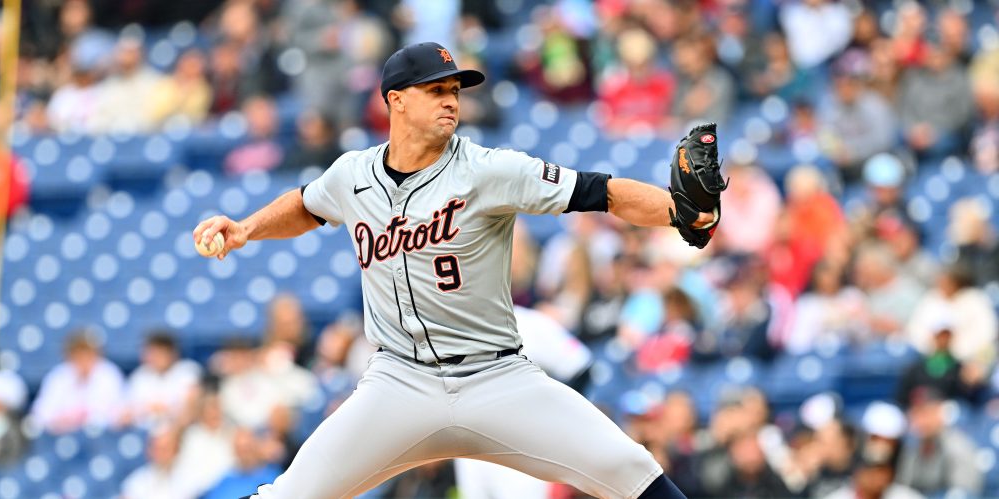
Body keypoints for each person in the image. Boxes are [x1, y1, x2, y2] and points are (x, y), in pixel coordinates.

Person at [194, 42, 717, 499]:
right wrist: (246, 228)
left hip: (497, 377)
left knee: (633, 471)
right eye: (434, 90)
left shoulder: (488, 169)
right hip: (398, 382)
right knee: (288, 494)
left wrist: (678, 211)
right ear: (396, 100)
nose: (450, 100)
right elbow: (307, 205)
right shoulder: (352, 175)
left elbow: (600, 190)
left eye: (454, 90)